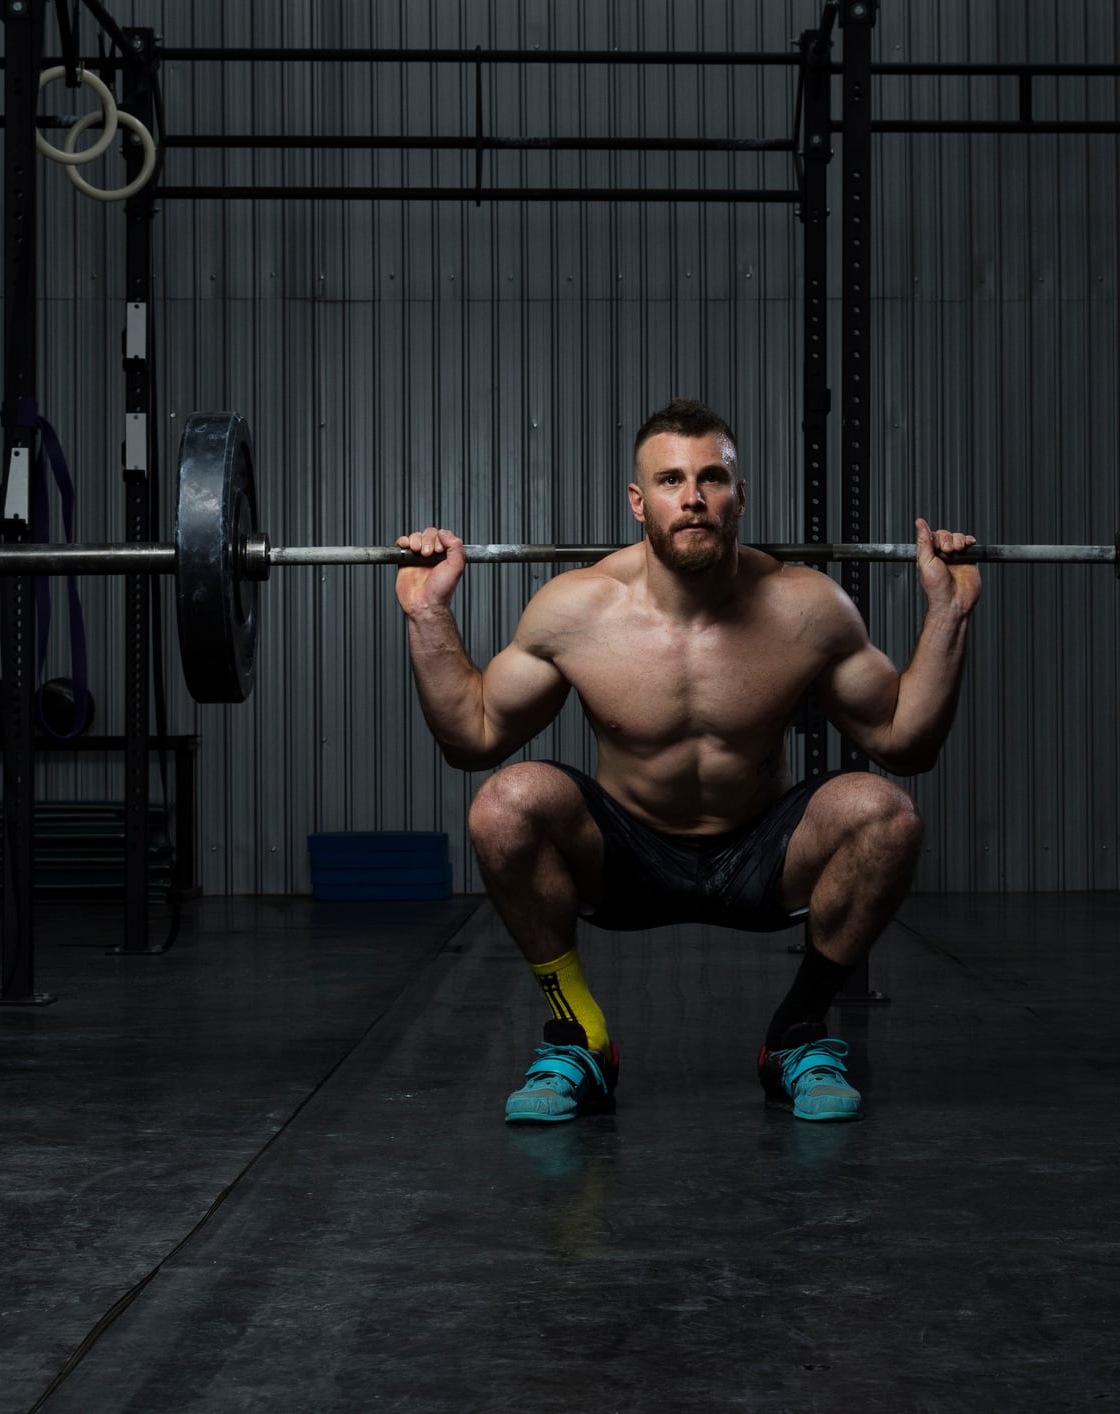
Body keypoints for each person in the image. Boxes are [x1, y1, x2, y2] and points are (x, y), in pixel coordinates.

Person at [395, 398, 980, 1124]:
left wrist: (947, 614)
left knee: (885, 814)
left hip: (761, 853)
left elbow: (904, 742)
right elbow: (472, 740)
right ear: (638, 503)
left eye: (712, 478)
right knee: (504, 802)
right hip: (625, 856)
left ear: (740, 497)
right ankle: (579, 1036)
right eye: (671, 480)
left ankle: (797, 1034)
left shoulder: (806, 606)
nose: (694, 497)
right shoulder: (575, 610)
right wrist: (428, 614)